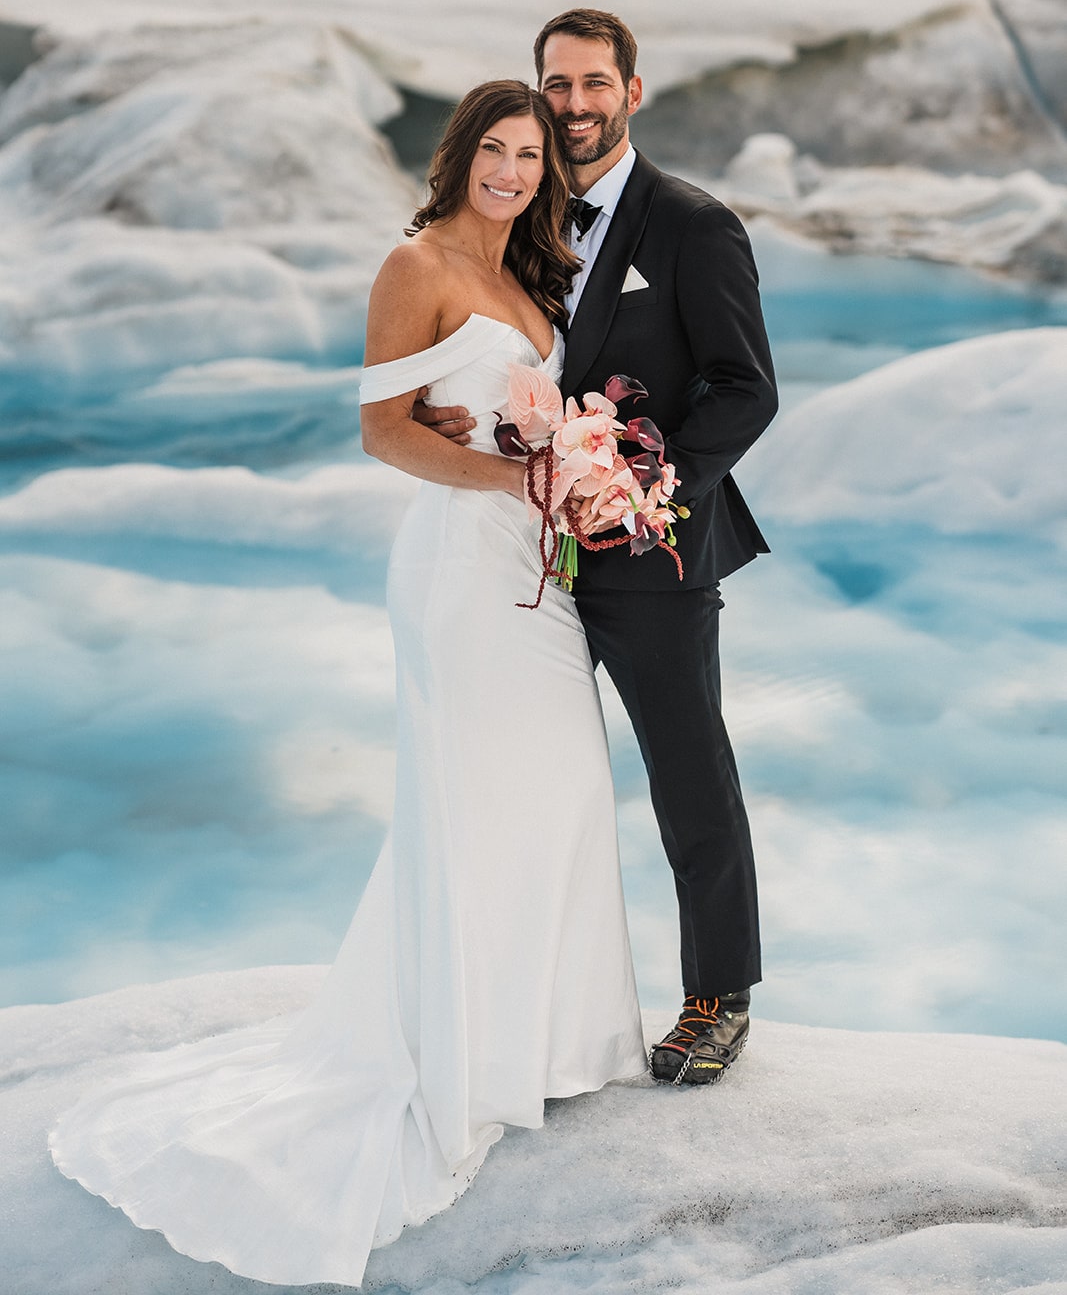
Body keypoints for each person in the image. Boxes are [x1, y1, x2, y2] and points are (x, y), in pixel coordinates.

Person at [48, 81, 648, 1289]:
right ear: (459, 155)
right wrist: (519, 482)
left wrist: (582, 471)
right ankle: (462, 1063)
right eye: (494, 149)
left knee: (565, 791)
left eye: (531, 156)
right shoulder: (413, 263)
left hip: (534, 573)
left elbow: (535, 412)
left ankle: (545, 1041)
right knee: (469, 804)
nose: (512, 171)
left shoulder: (533, 274)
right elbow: (383, 429)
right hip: (459, 569)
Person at [418, 10, 778, 1086]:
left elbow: (744, 387)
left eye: (593, 84)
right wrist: (447, 412)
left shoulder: (693, 225)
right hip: (517, 549)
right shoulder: (518, 211)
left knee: (685, 771)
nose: (573, 105)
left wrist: (648, 490)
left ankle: (717, 997)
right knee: (529, 774)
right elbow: (491, 352)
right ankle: (528, 1003)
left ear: (632, 90)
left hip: (651, 552)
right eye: (556, 86)